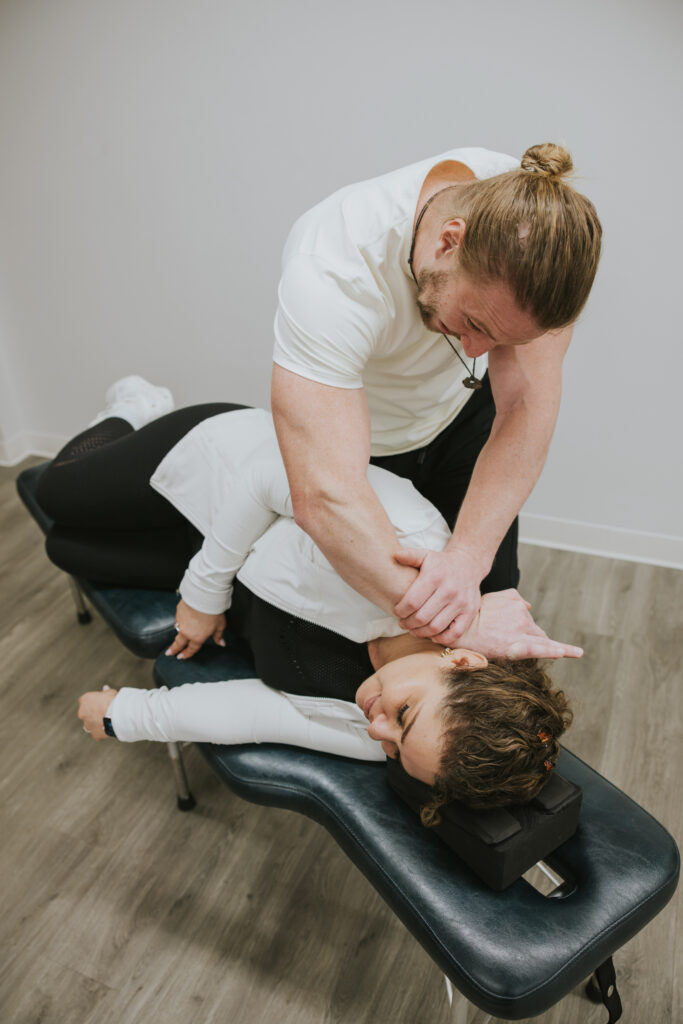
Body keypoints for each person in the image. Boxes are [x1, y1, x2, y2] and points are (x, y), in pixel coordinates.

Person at [38, 377, 577, 807]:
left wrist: (128, 715)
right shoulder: (414, 550)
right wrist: (203, 594)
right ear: (461, 660)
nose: (376, 729)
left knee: (65, 548)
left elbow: (263, 715)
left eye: (393, 752)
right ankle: (136, 407)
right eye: (403, 715)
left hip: (203, 549)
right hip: (226, 470)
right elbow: (270, 478)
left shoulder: (389, 734)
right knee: (55, 491)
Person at [270, 142, 602, 652]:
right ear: (450, 241)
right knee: (380, 638)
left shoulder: (541, 231)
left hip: (465, 421)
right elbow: (324, 495)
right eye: (474, 323)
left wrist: (468, 559)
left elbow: (525, 405)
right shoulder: (333, 269)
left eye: (502, 341)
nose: (475, 351)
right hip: (368, 451)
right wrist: (460, 626)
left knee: (494, 600)